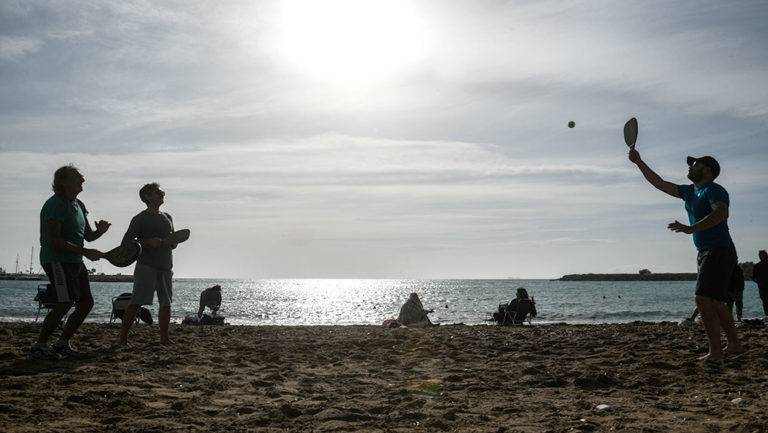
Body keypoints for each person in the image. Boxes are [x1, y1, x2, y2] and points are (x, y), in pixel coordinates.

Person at [629, 149, 743, 360]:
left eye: (695, 164)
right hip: (706, 252)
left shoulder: (713, 189)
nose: (690, 166)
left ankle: (716, 351)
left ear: (707, 170)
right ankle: (734, 345)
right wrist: (639, 162)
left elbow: (721, 213)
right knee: (717, 302)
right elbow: (658, 183)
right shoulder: (689, 191)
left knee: (702, 298)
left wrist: (691, 229)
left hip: (719, 250)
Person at [29, 164, 110, 360]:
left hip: (75, 260)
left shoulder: (79, 205)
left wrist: (99, 232)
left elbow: (88, 236)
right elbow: (54, 241)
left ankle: (62, 343)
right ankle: (39, 346)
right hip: (56, 259)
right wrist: (86, 251)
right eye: (78, 177)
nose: (83, 180)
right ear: (63, 182)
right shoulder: (55, 204)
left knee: (85, 303)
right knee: (65, 301)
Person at [119, 183, 179, 345]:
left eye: (161, 191)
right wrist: (147, 242)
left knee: (166, 304)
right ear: (147, 197)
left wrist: (173, 242)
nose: (162, 194)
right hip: (146, 265)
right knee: (136, 302)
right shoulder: (140, 219)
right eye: (157, 192)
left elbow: (173, 240)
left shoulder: (168, 217)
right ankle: (123, 338)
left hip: (166, 266)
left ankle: (165, 338)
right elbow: (126, 242)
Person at [752, 250, 768, 318]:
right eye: (760, 254)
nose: (761, 256)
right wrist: (759, 282)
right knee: (765, 302)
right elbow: (753, 277)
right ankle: (767, 315)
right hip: (762, 287)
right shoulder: (757, 265)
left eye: (763, 254)